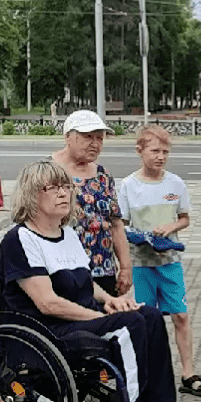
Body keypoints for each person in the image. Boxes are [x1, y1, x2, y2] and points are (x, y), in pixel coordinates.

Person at [0, 160, 196, 402]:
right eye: (52, 188)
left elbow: (85, 283)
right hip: (48, 331)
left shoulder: (66, 235)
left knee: (150, 316)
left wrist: (111, 300)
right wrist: (95, 315)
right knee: (129, 326)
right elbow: (48, 304)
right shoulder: (20, 240)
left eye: (66, 186)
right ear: (31, 195)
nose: (63, 193)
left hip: (77, 319)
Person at [118, 125, 201, 398]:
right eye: (154, 151)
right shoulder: (129, 186)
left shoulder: (175, 183)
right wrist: (137, 237)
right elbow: (120, 226)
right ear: (140, 151)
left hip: (169, 261)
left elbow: (184, 218)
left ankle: (188, 373)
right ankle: (147, 374)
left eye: (165, 152)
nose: (160, 157)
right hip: (141, 264)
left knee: (181, 315)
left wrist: (170, 227)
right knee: (147, 320)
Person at [51, 110, 132, 298]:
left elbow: (116, 223)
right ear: (68, 137)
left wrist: (126, 267)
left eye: (100, 138)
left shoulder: (102, 175)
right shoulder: (47, 171)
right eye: (88, 137)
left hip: (104, 269)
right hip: (64, 271)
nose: (95, 144)